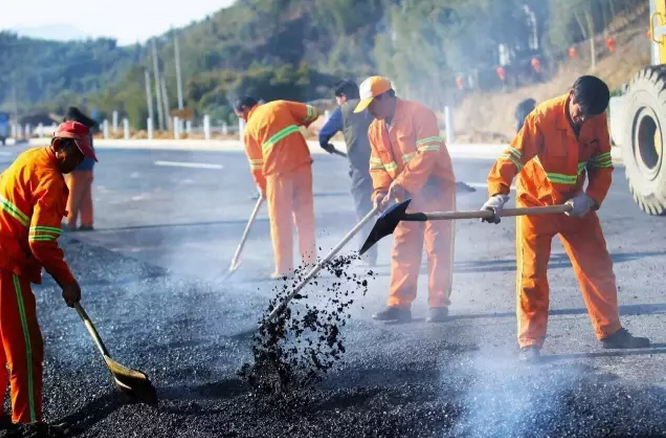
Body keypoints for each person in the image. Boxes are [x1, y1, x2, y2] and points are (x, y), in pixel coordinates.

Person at [480, 75, 650, 362]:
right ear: (571, 95)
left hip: (574, 205)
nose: (584, 120)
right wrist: (498, 193)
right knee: (531, 274)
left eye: (591, 116)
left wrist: (591, 198)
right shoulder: (542, 117)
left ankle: (610, 331)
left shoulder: (596, 117)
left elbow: (603, 163)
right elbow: (514, 156)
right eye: (580, 113)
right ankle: (530, 344)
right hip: (535, 205)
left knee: (597, 265)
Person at [0, 121, 96, 434]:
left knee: (2, 347)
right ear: (61, 146)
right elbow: (40, 242)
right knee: (26, 347)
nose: (79, 162)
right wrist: (67, 281)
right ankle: (28, 424)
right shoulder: (52, 182)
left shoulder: (30, 157)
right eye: (78, 154)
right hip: (4, 261)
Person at [355, 76, 456, 323]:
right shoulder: (374, 129)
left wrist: (401, 183)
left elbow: (428, 153)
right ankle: (399, 305)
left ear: (386, 96)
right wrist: (380, 190)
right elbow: (378, 165)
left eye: (371, 104)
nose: (369, 110)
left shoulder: (418, 114)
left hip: (435, 189)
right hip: (405, 195)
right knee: (403, 246)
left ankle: (438, 304)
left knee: (438, 246)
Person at [234, 96, 319, 279]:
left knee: (280, 222)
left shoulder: (249, 130)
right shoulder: (279, 105)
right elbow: (312, 112)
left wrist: (263, 188)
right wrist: (296, 120)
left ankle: (283, 269)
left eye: (241, 117)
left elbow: (256, 165)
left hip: (278, 173)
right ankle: (310, 264)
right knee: (305, 216)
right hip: (302, 165)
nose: (243, 120)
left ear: (245, 110)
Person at [318, 80, 377, 265]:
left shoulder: (344, 109)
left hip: (362, 170)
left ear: (343, 97)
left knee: (365, 210)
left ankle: (369, 254)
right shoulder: (374, 105)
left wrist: (326, 145)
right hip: (385, 165)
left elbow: (323, 135)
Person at [64, 107, 97, 231]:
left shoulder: (72, 129)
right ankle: (87, 223)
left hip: (77, 169)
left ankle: (70, 223)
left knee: (72, 197)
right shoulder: (85, 129)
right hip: (88, 168)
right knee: (85, 197)